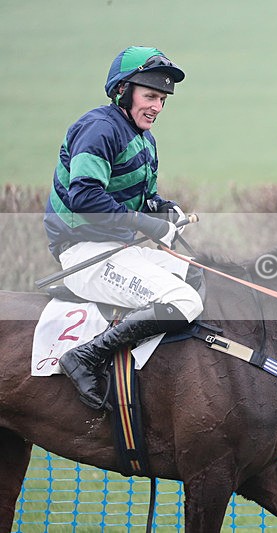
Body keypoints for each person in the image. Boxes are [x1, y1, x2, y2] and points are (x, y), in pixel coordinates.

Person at [43, 46, 203, 409]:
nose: (157, 107)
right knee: (183, 300)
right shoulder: (98, 129)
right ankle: (83, 357)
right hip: (83, 253)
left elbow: (143, 198)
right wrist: (149, 224)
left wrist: (164, 209)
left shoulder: (144, 138)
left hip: (117, 249)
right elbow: (84, 197)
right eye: (150, 96)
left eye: (162, 99)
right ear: (122, 91)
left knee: (196, 278)